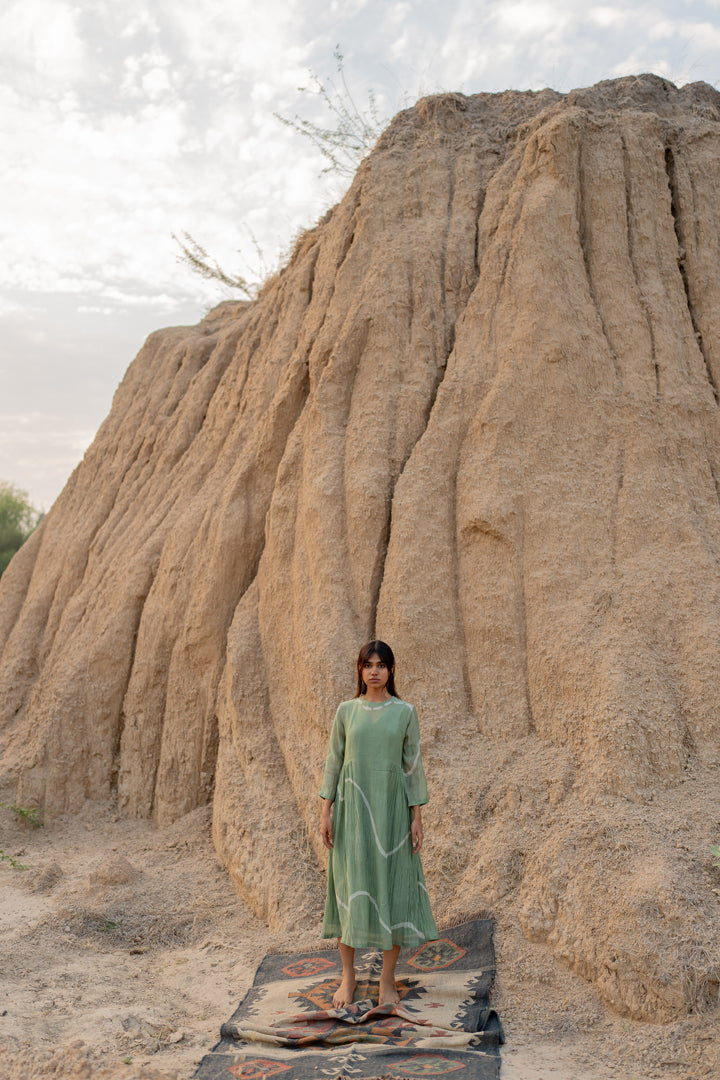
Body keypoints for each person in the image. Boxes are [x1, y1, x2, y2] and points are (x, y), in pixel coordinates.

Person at [319, 640, 438, 1008]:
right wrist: (325, 811)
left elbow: (412, 766)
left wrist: (417, 817)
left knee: (393, 887)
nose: (374, 671)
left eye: (381, 665)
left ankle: (387, 979)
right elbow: (334, 761)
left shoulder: (405, 712)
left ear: (391, 671)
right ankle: (348, 977)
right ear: (359, 670)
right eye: (368, 664)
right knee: (350, 888)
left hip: (391, 813)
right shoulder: (346, 711)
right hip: (352, 812)